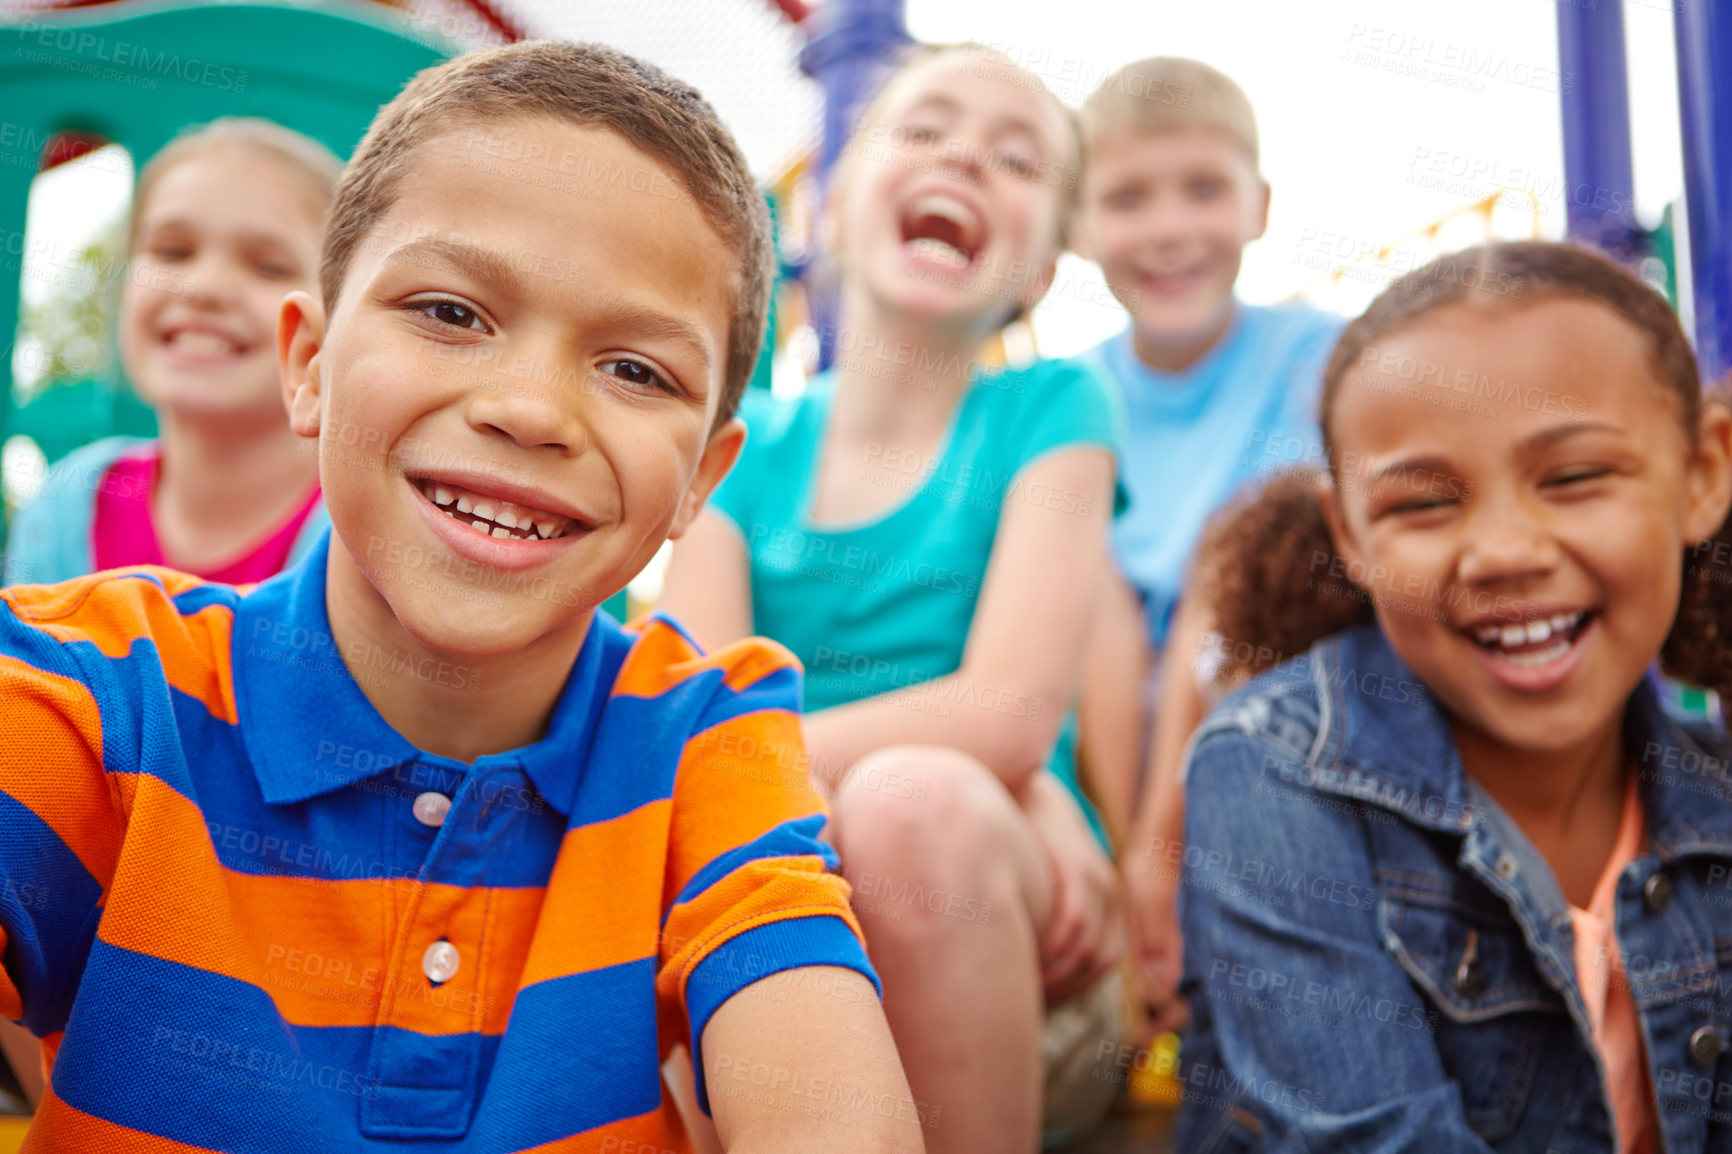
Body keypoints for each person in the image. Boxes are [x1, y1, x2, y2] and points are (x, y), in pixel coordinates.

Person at [0, 41, 922, 1154]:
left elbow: (822, 1093)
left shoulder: (705, 743)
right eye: (450, 311)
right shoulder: (103, 693)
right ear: (311, 366)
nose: (532, 409)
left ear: (701, 480)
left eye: (635, 369)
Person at [660, 42, 1125, 1154]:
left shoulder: (1050, 410)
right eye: (922, 130)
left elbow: (1009, 710)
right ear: (828, 201)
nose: (964, 153)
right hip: (776, 919)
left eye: (1015, 159)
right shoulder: (745, 446)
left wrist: (784, 756)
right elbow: (694, 733)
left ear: (1038, 277)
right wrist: (764, 769)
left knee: (913, 801)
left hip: (1015, 948)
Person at [1175, 241, 1732, 1152]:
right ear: (1346, 534)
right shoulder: (1274, 768)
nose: (1505, 548)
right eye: (1425, 504)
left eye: (1576, 477)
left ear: (1704, 474)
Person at [1065, 55, 1343, 1033]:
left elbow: (1226, 588)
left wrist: (1159, 843)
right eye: (1128, 197)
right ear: (1077, 224)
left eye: (1202, 188)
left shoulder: (1315, 355)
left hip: (1241, 670)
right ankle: (1118, 900)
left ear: (1258, 204)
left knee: (1234, 614)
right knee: (1082, 586)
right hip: (1104, 706)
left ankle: (1176, 907)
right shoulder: (1070, 394)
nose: (1170, 226)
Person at [4, 118, 334, 587]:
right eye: (173, 252)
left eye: (269, 267)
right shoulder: (65, 508)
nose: (204, 288)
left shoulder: (353, 536)